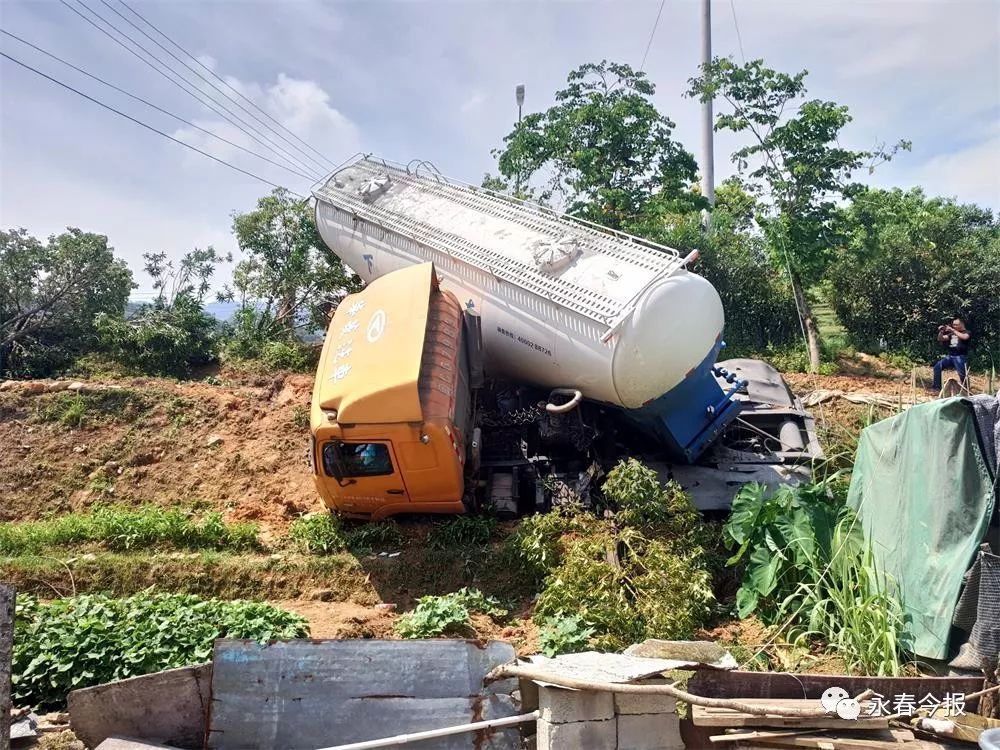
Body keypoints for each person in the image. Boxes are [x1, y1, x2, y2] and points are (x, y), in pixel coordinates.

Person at [932, 318, 971, 391]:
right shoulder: (952, 333)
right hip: (950, 356)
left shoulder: (967, 332)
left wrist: (952, 330)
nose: (954, 326)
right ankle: (936, 387)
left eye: (956, 325)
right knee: (937, 367)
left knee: (963, 375)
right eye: (953, 325)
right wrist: (941, 332)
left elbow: (965, 337)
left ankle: (966, 391)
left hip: (960, 357)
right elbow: (941, 339)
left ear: (962, 324)